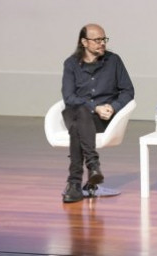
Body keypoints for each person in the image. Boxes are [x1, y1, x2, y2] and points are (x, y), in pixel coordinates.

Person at [60, 23, 135, 203]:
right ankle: (93, 166)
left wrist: (113, 107)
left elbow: (128, 91)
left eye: (104, 39)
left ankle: (74, 183)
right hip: (78, 113)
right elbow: (68, 97)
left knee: (78, 126)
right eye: (97, 40)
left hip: (102, 119)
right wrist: (94, 106)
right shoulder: (71, 64)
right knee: (81, 112)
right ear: (84, 42)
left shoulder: (114, 61)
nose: (102, 43)